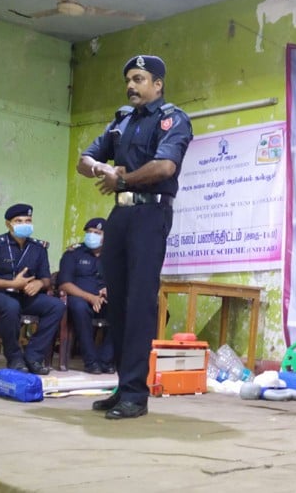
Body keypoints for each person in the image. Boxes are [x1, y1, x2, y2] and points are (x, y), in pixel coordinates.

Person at [77, 54, 193, 419]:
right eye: (129, 79)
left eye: (139, 79)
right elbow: (86, 158)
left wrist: (123, 178)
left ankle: (135, 395)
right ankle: (123, 385)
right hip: (121, 214)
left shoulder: (172, 119)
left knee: (141, 302)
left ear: (157, 84)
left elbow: (165, 166)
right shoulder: (121, 121)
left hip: (150, 213)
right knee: (119, 301)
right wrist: (101, 167)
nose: (131, 85)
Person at [0, 203, 65, 375]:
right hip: (0, 296)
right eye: (19, 220)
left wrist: (40, 284)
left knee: (57, 305)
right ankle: (14, 357)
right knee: (11, 306)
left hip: (27, 297)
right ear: (8, 224)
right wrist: (12, 284)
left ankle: (33, 356)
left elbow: (46, 278)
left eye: (28, 220)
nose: (24, 224)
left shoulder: (39, 248)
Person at [57, 217, 114, 375]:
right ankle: (91, 361)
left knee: (123, 309)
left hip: (104, 301)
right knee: (79, 307)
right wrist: (90, 297)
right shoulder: (73, 253)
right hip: (79, 298)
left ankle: (106, 359)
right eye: (89, 232)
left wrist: (111, 290)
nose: (92, 235)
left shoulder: (114, 256)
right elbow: (64, 284)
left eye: (97, 232)